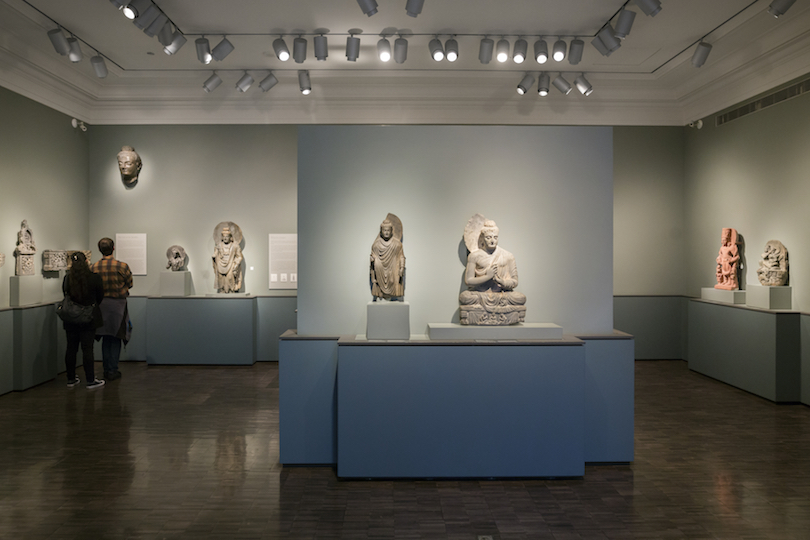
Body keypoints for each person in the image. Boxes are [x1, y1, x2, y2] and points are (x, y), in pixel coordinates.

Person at [459, 219, 526, 325]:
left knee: (520, 298)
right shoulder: (474, 256)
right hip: (480, 295)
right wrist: (487, 276)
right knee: (465, 297)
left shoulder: (508, 256)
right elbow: (469, 281)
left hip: (501, 295)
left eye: (495, 237)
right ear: (482, 238)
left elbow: (514, 281)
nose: (492, 241)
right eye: (488, 237)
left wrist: (502, 282)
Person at [90, 237, 133, 380]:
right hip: (118, 306)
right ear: (113, 248)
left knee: (105, 337)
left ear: (99, 249)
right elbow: (130, 283)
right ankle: (113, 369)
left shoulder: (94, 267)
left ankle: (106, 369)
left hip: (101, 306)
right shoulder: (122, 266)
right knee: (116, 337)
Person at [62, 251, 106, 389]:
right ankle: (90, 380)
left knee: (71, 348)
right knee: (87, 349)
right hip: (88, 317)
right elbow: (100, 297)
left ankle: (71, 379)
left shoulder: (67, 278)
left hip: (71, 318)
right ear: (86, 261)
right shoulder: (94, 278)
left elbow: (65, 294)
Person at [370, 219, 405, 300]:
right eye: (384, 230)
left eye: (388, 230)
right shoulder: (376, 245)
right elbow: (373, 259)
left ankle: (394, 291)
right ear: (381, 231)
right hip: (380, 271)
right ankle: (380, 292)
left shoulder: (397, 244)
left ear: (392, 231)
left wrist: (402, 268)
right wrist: (372, 260)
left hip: (393, 270)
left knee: (394, 275)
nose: (386, 232)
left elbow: (401, 256)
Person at [212, 225, 243, 293]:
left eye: (227, 236)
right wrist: (214, 256)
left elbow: (239, 256)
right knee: (221, 278)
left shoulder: (235, 246)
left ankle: (231, 291)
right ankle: (222, 290)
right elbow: (215, 254)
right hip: (220, 264)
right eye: (224, 236)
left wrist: (236, 264)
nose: (225, 238)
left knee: (230, 277)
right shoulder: (219, 245)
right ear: (222, 237)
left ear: (230, 237)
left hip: (231, 264)